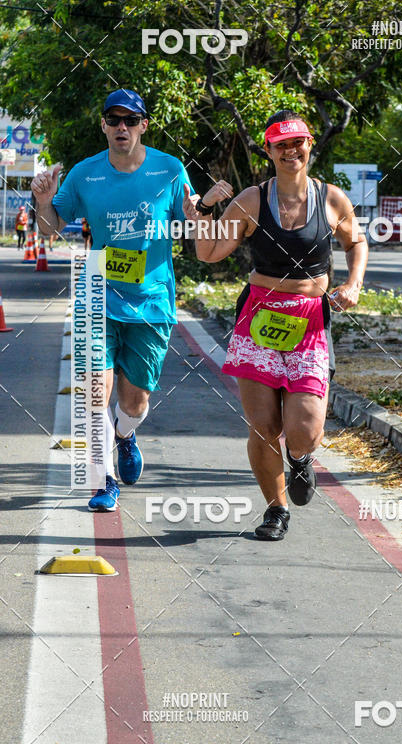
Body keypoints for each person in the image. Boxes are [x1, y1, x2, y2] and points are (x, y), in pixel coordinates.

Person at [184, 109, 368, 541]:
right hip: (258, 318)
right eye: (281, 144)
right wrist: (203, 211)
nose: (290, 151)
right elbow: (209, 253)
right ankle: (276, 509)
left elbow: (355, 242)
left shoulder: (332, 199)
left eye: (297, 142)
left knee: (305, 431)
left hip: (309, 320)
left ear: (309, 145)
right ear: (268, 150)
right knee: (264, 427)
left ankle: (300, 459)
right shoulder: (252, 200)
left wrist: (353, 284)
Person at [32, 88, 194, 511]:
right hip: (98, 291)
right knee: (93, 393)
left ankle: (125, 433)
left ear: (143, 126)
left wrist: (202, 212)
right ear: (103, 125)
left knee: (134, 402)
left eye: (131, 120)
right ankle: (103, 481)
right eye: (114, 119)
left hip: (151, 300)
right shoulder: (85, 173)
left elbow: (193, 225)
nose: (122, 127)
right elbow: (52, 227)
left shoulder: (169, 169)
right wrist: (44, 202)